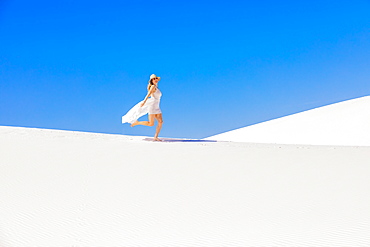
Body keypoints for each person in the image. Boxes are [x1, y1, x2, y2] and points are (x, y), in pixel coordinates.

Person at [122, 74, 163, 141]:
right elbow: (148, 94)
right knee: (151, 124)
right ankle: (137, 123)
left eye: (156, 78)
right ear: (151, 80)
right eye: (154, 79)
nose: (155, 80)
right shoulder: (152, 87)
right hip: (152, 106)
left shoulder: (156, 87)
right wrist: (144, 101)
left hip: (157, 106)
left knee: (161, 122)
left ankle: (156, 136)